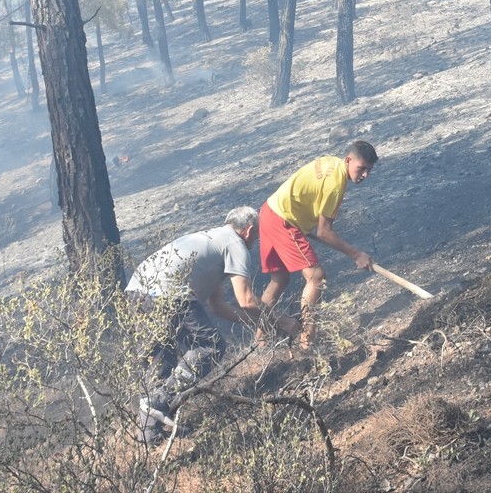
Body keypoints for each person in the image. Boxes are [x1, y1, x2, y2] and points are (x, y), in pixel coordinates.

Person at [126, 206, 299, 445]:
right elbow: (247, 300)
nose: (256, 240)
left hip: (137, 290)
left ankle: (148, 435)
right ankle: (160, 401)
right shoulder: (236, 245)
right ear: (249, 231)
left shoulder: (214, 240)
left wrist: (263, 323)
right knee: (211, 346)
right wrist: (282, 320)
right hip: (168, 293)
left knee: (162, 355)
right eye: (257, 235)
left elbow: (218, 306)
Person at [257, 140, 377, 350]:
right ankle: (308, 343)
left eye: (369, 170)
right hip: (283, 220)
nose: (365, 175)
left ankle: (260, 343)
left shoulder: (331, 162)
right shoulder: (336, 185)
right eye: (361, 168)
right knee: (316, 277)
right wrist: (357, 255)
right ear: (348, 160)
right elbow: (324, 232)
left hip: (269, 210)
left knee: (280, 278)